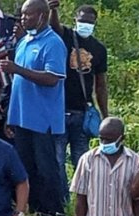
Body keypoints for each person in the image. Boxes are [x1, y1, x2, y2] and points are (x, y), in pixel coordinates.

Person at [0, 0, 66, 216]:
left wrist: (17, 69)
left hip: (43, 120)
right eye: (23, 15)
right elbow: (18, 86)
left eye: (28, 15)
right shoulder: (24, 41)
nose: (24, 18)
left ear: (42, 16)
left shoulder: (53, 43)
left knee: (46, 171)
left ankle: (53, 215)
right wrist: (11, 116)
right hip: (22, 117)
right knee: (27, 170)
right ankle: (36, 215)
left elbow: (51, 79)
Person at [49, 2, 108, 202]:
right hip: (59, 110)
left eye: (89, 22)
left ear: (95, 23)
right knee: (56, 160)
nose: (85, 24)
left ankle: (83, 200)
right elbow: (54, 27)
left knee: (81, 159)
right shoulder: (66, 36)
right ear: (75, 20)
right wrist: (53, 10)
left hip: (82, 111)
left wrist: (105, 115)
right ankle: (62, 200)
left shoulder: (99, 49)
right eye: (82, 20)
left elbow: (101, 84)